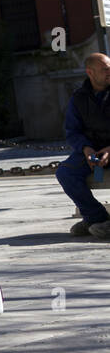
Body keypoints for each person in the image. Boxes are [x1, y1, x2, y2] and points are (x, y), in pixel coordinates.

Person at [58, 52, 110, 237]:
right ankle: (96, 218)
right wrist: (86, 148)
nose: (109, 72)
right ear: (90, 72)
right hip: (93, 152)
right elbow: (72, 131)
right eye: (105, 69)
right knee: (65, 172)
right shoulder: (79, 98)